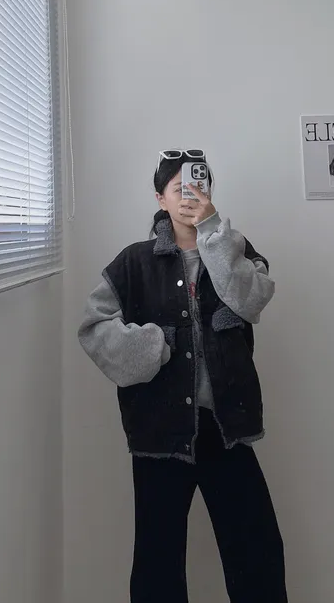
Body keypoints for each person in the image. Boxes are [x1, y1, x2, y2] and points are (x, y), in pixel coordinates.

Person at [78, 150, 287, 603]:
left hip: (225, 427)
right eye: (179, 188)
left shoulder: (237, 249)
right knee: (158, 563)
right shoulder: (133, 263)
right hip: (160, 431)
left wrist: (213, 234)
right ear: (160, 198)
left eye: (199, 186)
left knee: (258, 553)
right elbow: (93, 330)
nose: (191, 195)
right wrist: (155, 345)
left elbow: (252, 299)